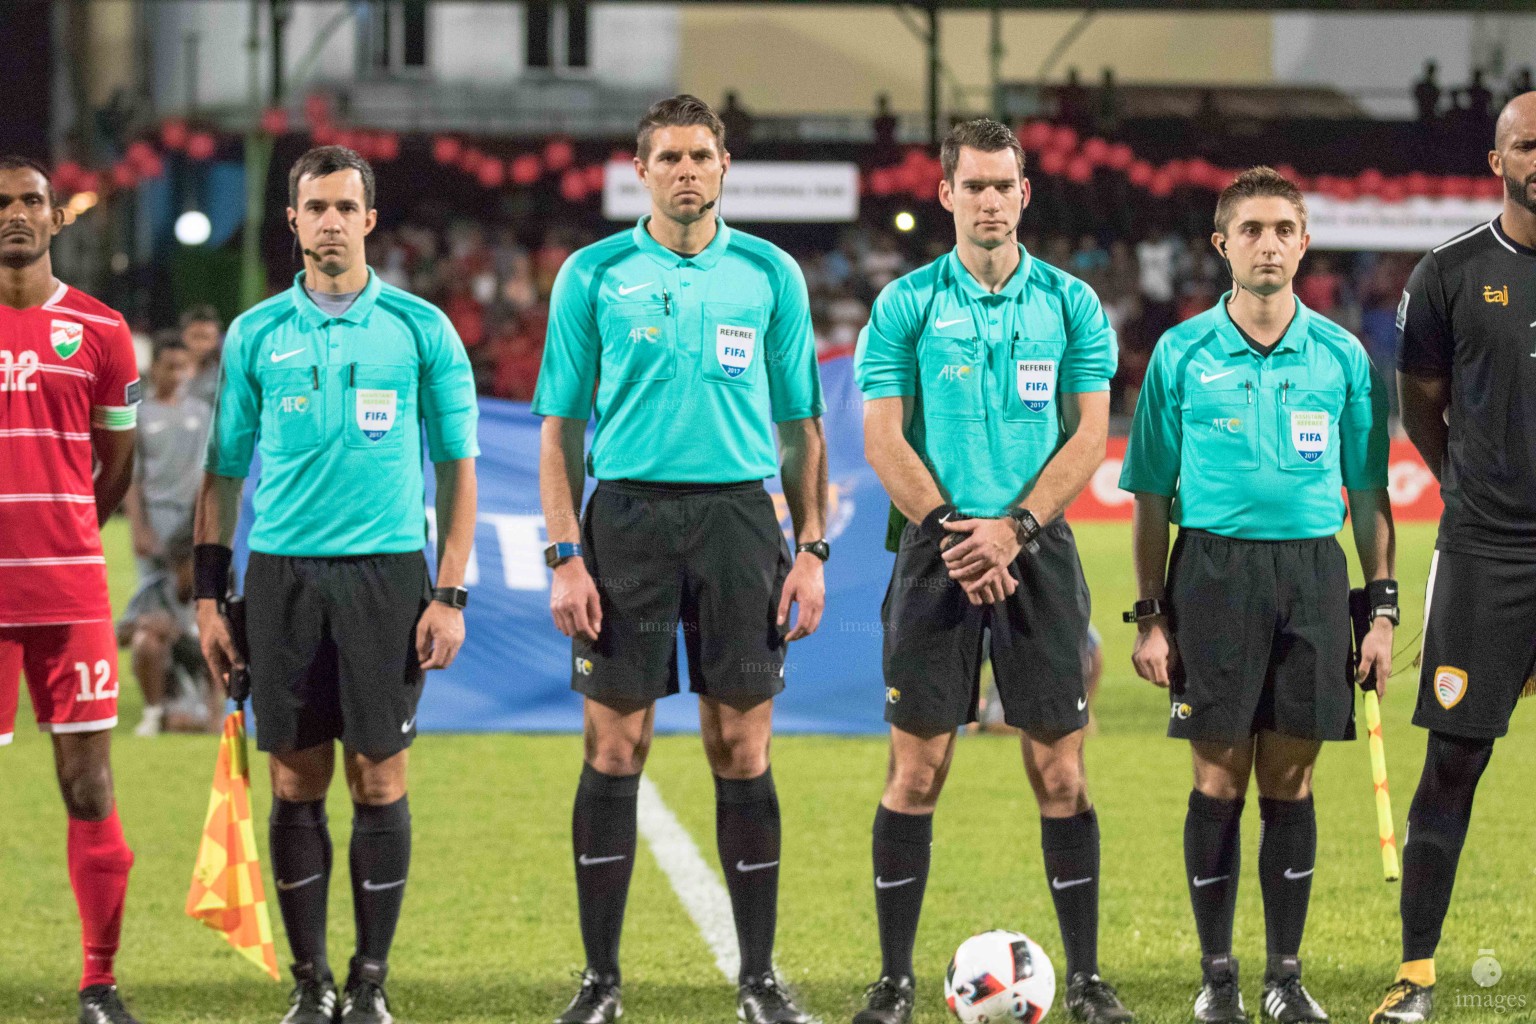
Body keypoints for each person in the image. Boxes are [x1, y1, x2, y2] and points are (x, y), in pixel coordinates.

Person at [534, 94, 828, 1024]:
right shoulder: (593, 274)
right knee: (613, 744)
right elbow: (558, 431)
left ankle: (758, 978)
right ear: (642, 170)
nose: (687, 170)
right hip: (624, 523)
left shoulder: (771, 274)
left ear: (725, 165)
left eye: (701, 155)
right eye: (669, 157)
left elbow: (804, 431)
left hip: (741, 523)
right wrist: (564, 555)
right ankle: (601, 981)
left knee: (741, 746)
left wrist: (811, 549)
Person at [851, 118, 1133, 1024]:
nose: (987, 200)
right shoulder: (905, 305)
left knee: (1060, 775)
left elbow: (1091, 434)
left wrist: (1013, 530)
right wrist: (950, 532)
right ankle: (894, 983)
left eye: (1001, 185)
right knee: (917, 772)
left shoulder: (1074, 305)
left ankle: (1087, 981)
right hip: (937, 556)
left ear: (1024, 193)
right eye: (971, 185)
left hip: (1038, 551)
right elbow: (882, 436)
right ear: (945, 195)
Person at [194, 146, 479, 1024]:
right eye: (313, 207)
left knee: (380, 779)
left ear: (369, 218)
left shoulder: (422, 329)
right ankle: (312, 983)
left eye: (343, 207)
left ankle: (370, 979)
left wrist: (451, 592)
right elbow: (222, 474)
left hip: (388, 576)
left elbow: (458, 468)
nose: (328, 222)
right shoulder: (253, 335)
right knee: (294, 780)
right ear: (292, 220)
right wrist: (210, 597)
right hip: (280, 578)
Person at [1121, 167, 1395, 1024]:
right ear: (1222, 245)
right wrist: (1151, 614)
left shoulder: (1343, 356)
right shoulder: (1181, 353)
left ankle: (1283, 977)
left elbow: (1372, 497)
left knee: (1293, 780)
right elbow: (1152, 498)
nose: (1268, 243)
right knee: (1218, 780)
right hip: (1212, 575)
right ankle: (1218, 978)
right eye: (1251, 230)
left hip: (1314, 577)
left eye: (1284, 229)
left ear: (1304, 243)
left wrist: (1380, 610)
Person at [1370, 91, 1536, 1024]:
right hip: (1489, 550)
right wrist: (1475, 486)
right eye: (1527, 145)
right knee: (1455, 760)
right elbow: (1423, 403)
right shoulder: (1451, 273)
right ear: (1497, 160)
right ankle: (1418, 975)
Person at [0, 156, 144, 1024]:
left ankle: (99, 981)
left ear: (57, 218)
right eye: (0, 203)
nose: (14, 215)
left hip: (69, 593)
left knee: (88, 786)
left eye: (29, 202)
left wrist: (52, 529)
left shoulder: (100, 329)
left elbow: (115, 466)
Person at [115, 527, 218, 735]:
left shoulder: (215, 591)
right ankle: (154, 713)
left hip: (203, 670)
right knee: (146, 640)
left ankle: (212, 714)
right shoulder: (155, 590)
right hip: (170, 672)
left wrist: (177, 633)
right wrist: (144, 623)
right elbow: (119, 635)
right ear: (178, 565)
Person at [123, 334, 209, 584]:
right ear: (154, 368)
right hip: (155, 513)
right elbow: (131, 477)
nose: (177, 374)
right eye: (170, 367)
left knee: (192, 594)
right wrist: (139, 528)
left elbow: (209, 470)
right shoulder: (139, 413)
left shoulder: (201, 412)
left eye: (182, 367)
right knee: (155, 591)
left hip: (192, 515)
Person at [179, 304, 223, 407]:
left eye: (206, 338)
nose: (200, 344)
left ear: (216, 340)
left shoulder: (223, 376)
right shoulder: (168, 371)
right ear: (183, 336)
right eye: (195, 336)